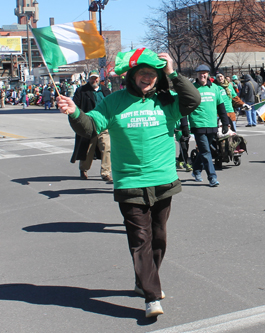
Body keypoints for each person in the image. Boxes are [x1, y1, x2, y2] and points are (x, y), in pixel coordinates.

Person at [56, 49, 201, 317]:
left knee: (159, 237)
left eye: (152, 74)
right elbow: (90, 127)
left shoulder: (165, 102)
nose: (148, 78)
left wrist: (171, 71)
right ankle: (151, 296)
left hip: (163, 180)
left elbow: (193, 99)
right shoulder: (114, 102)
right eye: (143, 73)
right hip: (130, 182)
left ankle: (143, 280)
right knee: (140, 238)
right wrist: (75, 112)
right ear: (132, 76)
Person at [190, 64, 230, 186]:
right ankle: (212, 177)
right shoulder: (192, 88)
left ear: (208, 74)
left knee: (204, 151)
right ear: (196, 74)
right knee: (206, 151)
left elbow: (221, 107)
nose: (202, 75)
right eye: (200, 73)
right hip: (198, 125)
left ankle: (196, 170)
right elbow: (185, 108)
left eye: (205, 73)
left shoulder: (215, 88)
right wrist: (185, 125)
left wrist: (225, 123)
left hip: (212, 124)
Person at [71, 70, 113, 182]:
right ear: (88, 79)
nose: (94, 80)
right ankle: (83, 169)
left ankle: (106, 173)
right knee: (88, 149)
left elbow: (112, 106)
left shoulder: (105, 91)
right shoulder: (81, 91)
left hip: (104, 124)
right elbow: (76, 106)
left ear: (99, 78)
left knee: (106, 147)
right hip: (89, 124)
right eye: (92, 78)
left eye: (96, 78)